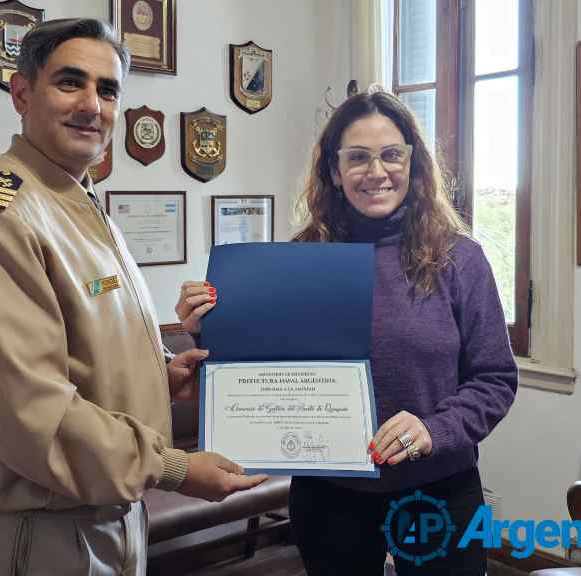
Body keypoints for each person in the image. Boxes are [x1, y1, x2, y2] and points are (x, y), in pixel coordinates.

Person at [0, 18, 265, 576]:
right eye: (69, 82)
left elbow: (84, 352)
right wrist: (173, 468)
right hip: (39, 533)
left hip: (101, 513)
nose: (92, 105)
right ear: (22, 92)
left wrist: (163, 378)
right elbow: (29, 412)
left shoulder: (75, 203)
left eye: (108, 89)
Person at [176, 90, 516, 575]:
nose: (376, 172)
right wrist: (209, 329)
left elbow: (495, 379)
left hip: (440, 488)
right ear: (334, 171)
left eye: (391, 155)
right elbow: (267, 366)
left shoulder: (460, 259)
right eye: (358, 157)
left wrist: (433, 428)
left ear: (413, 164)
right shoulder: (297, 260)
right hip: (329, 494)